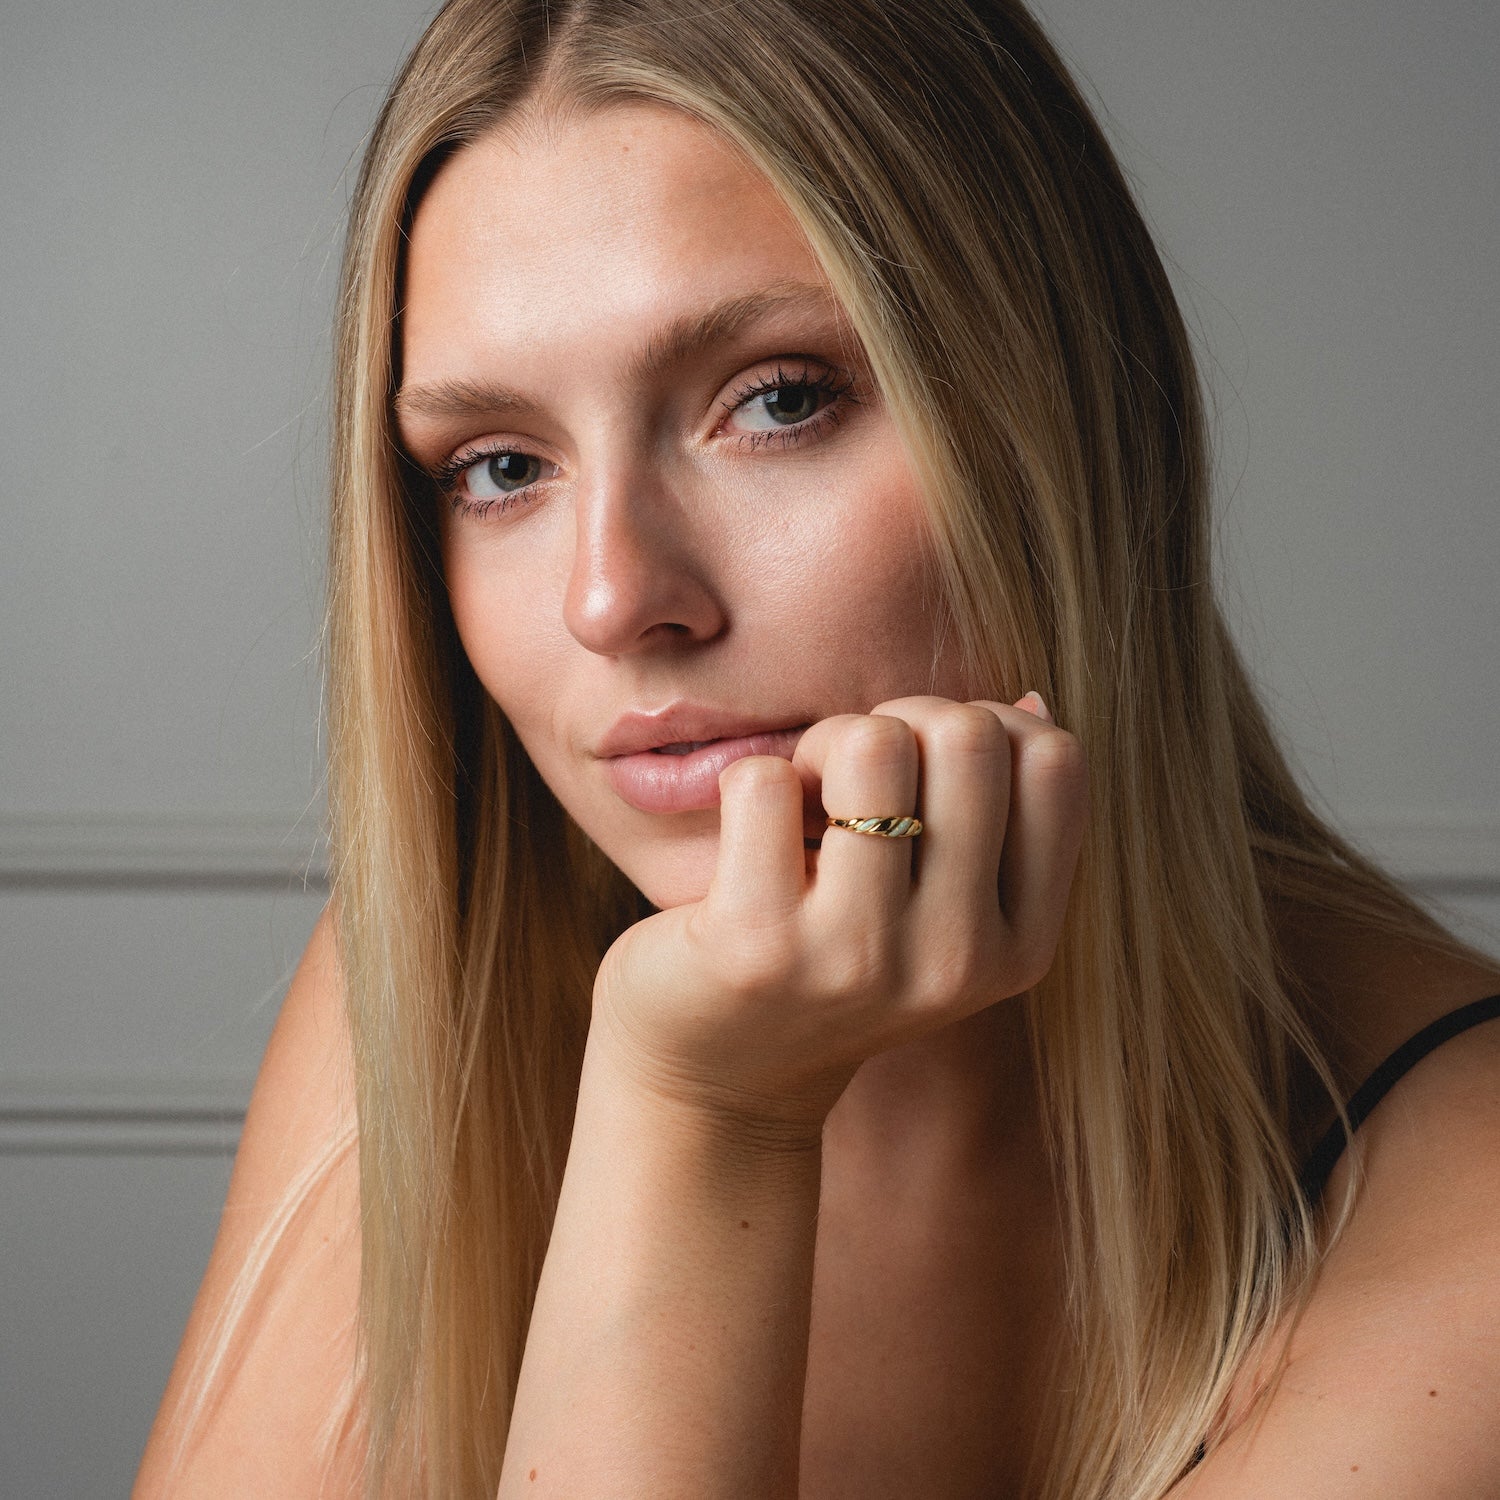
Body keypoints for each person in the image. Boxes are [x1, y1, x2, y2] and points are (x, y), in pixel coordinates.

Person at [134, 1, 1500, 1496]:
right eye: (503, 466)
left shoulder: (1466, 1189)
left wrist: (705, 1115)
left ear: (1067, 417)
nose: (612, 599)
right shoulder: (441, 979)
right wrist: (696, 1091)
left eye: (775, 400)